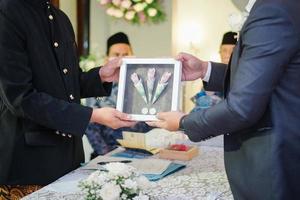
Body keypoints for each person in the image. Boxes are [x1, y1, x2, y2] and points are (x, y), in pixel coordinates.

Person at [147, 0, 300, 199]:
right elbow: (265, 77)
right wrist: (205, 69)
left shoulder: (273, 9)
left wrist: (184, 122)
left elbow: (241, 109)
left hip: (274, 162)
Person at [0, 0, 135, 198]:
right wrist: (92, 115)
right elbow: (20, 98)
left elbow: (68, 82)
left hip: (69, 159)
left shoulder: (60, 18)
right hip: (28, 166)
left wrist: (101, 75)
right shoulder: (7, 12)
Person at [85, 32, 151, 158]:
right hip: (105, 153)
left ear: (133, 56)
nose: (121, 59)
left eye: (126, 55)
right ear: (107, 58)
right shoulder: (96, 84)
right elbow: (90, 126)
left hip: (139, 152)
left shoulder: (143, 85)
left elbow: (150, 119)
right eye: (116, 55)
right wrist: (108, 155)